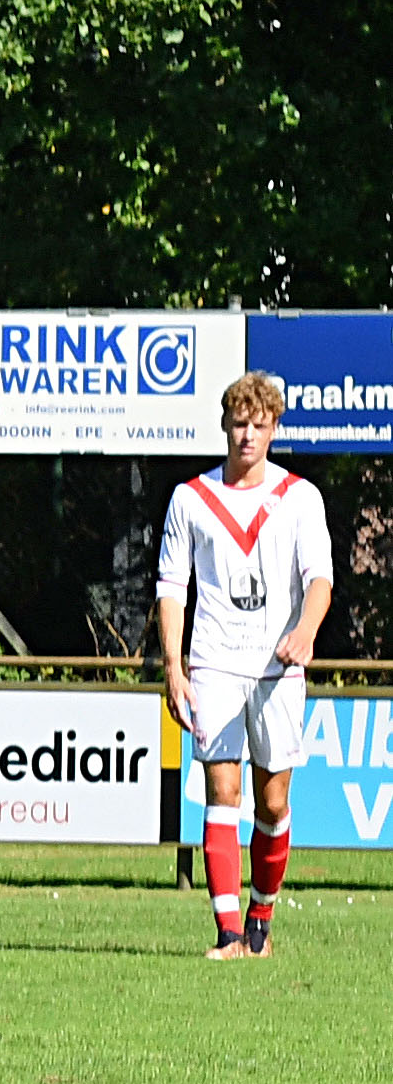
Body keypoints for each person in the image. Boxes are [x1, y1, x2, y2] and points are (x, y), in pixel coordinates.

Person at [158, 370, 334, 957]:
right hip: (214, 662)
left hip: (277, 665)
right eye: (239, 424)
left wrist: (305, 632)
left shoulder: (300, 497)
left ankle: (261, 913)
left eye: (259, 425)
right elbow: (172, 588)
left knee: (275, 800)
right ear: (225, 426)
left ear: (275, 428)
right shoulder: (191, 499)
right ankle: (229, 932)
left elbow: (320, 581)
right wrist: (174, 667)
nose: (247, 436)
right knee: (221, 790)